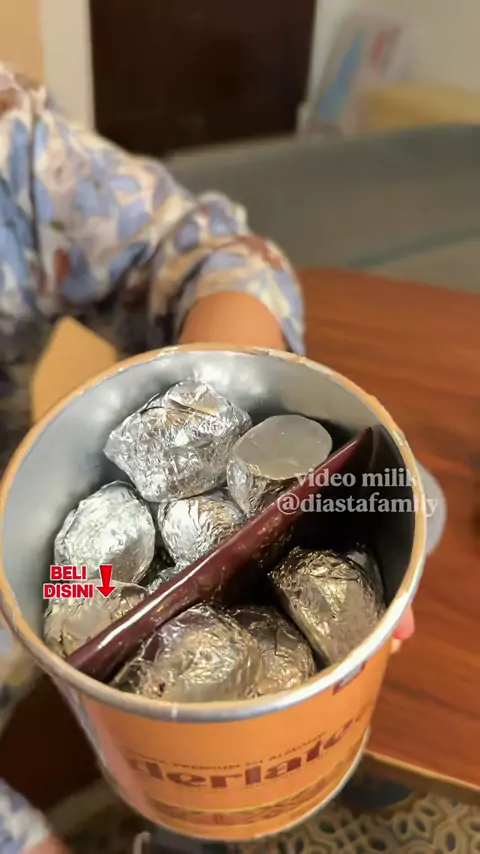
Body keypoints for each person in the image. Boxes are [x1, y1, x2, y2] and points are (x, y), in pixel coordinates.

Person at [0, 64, 414, 852]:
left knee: (420, 502)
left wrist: (225, 396)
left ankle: (339, 748)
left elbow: (212, 250)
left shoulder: (9, 144)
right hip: (55, 621)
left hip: (64, 578)